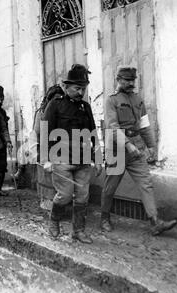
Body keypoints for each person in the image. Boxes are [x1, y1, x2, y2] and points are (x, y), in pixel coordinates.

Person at [101, 66, 177, 236]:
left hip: (136, 148)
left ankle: (155, 221)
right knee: (110, 187)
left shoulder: (138, 100)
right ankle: (104, 217)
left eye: (132, 80)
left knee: (146, 183)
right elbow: (112, 127)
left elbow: (144, 125)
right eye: (127, 80)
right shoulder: (111, 101)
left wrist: (151, 146)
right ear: (118, 80)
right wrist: (128, 145)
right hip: (117, 149)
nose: (130, 83)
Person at [42, 64, 103, 244]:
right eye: (77, 88)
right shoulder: (56, 105)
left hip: (83, 160)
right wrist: (45, 159)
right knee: (65, 195)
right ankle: (54, 222)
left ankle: (78, 230)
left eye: (83, 88)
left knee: (83, 197)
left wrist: (98, 158)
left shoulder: (86, 107)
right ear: (66, 87)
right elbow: (45, 133)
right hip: (61, 158)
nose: (81, 92)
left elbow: (93, 133)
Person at [34, 84, 65, 210]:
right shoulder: (41, 113)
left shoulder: (63, 111)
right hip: (45, 147)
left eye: (60, 98)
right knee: (47, 177)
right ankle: (49, 204)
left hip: (60, 148)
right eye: (55, 98)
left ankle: (59, 204)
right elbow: (37, 131)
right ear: (49, 98)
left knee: (59, 177)